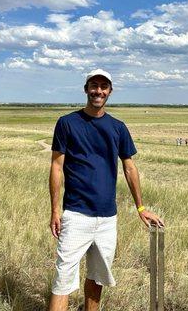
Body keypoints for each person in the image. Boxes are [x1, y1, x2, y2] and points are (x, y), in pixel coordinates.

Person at [48, 68, 164, 311]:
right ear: (86, 89)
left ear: (110, 92)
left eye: (103, 87)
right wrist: (55, 210)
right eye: (93, 85)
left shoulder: (118, 127)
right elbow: (57, 167)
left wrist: (141, 208)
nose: (97, 91)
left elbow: (130, 168)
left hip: (107, 218)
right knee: (63, 280)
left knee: (97, 278)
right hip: (76, 214)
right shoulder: (67, 123)